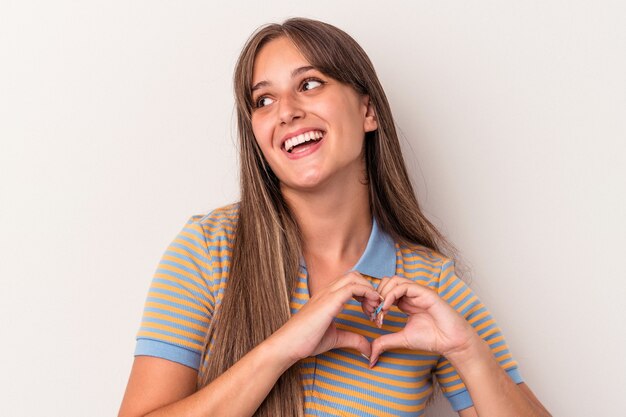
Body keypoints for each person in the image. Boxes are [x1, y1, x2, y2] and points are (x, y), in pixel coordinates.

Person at [118, 18, 551, 417]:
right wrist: (283, 348)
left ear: (368, 111)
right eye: (263, 99)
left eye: (309, 84)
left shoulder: (426, 284)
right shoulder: (209, 248)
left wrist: (468, 353)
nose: (286, 110)